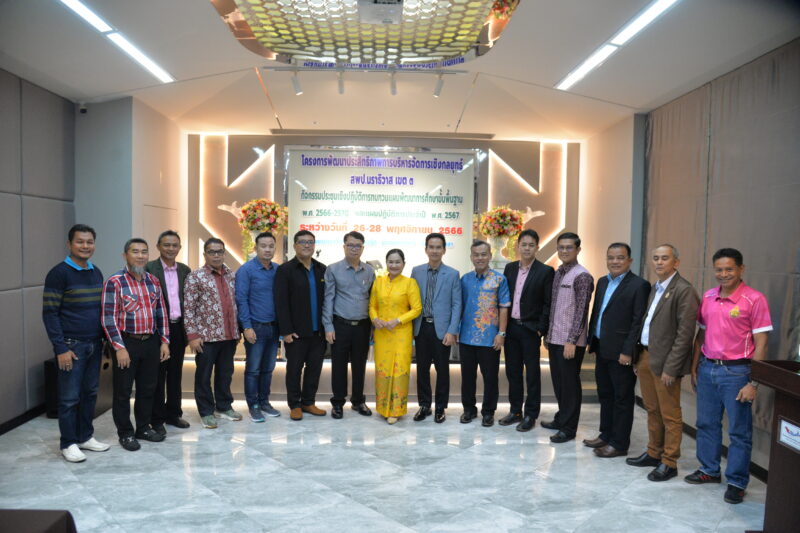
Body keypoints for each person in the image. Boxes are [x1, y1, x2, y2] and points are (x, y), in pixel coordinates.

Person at [685, 248, 772, 505]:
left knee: (739, 431)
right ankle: (709, 470)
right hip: (707, 368)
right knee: (706, 423)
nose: (723, 274)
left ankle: (736, 482)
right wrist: (694, 366)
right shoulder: (709, 296)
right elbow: (700, 335)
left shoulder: (754, 299)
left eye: (729, 269)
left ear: (741, 269)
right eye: (719, 270)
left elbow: (762, 344)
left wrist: (753, 382)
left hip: (738, 373)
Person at [627, 244, 699, 481]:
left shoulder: (684, 290)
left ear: (676, 262)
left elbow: (685, 335)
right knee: (652, 409)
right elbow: (647, 324)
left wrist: (672, 367)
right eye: (656, 258)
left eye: (664, 258)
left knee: (670, 415)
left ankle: (669, 461)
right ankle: (653, 452)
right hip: (646, 357)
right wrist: (638, 357)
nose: (659, 262)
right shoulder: (655, 288)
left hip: (667, 363)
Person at [42, 224, 109, 462]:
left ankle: (84, 436)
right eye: (80, 241)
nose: (85, 246)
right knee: (69, 398)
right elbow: (50, 314)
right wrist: (60, 348)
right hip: (71, 346)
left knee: (90, 393)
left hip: (95, 343)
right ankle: (68, 443)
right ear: (69, 244)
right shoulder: (58, 273)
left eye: (89, 242)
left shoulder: (96, 272)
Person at [102, 238, 170, 451]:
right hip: (127, 343)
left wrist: (165, 341)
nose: (140, 256)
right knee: (123, 391)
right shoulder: (115, 282)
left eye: (144, 252)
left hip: (151, 342)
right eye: (135, 251)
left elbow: (161, 313)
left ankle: (143, 427)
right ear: (125, 255)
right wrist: (119, 347)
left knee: (148, 388)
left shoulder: (153, 281)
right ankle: (125, 433)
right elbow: (108, 318)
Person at [585, 243, 651, 458]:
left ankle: (619, 443)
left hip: (621, 353)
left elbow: (637, 321)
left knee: (622, 398)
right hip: (601, 347)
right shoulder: (603, 281)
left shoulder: (639, 285)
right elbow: (598, 313)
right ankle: (606, 435)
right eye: (611, 257)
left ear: (629, 261)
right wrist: (592, 340)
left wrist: (628, 351)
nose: (615, 261)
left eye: (620, 257)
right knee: (605, 394)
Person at [500, 229, 554, 432]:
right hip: (511, 329)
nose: (527, 248)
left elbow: (548, 303)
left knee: (532, 375)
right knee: (512, 372)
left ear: (537, 247)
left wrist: (541, 329)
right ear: (518, 246)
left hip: (531, 330)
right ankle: (515, 411)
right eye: (524, 244)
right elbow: (504, 298)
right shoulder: (510, 268)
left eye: (531, 245)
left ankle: (531, 414)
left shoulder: (545, 271)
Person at [543, 232, 594, 443]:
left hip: (570, 343)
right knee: (559, 383)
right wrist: (548, 335)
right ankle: (561, 418)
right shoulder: (559, 273)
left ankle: (569, 428)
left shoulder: (582, 276)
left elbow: (582, 311)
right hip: (555, 338)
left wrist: (572, 340)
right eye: (561, 247)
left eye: (569, 247)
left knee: (570, 385)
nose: (564, 251)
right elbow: (555, 306)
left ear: (578, 249)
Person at [185, 238, 241, 429]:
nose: (216, 255)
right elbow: (189, 308)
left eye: (219, 251)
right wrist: (192, 336)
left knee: (225, 374)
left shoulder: (231, 275)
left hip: (229, 335)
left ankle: (224, 406)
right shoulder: (195, 277)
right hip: (205, 338)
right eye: (212, 252)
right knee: (203, 376)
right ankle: (206, 412)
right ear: (205, 254)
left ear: (224, 253)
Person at [274, 230, 328, 421]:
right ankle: (295, 405)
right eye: (303, 242)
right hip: (296, 333)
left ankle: (308, 402)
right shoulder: (285, 270)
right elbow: (281, 303)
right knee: (294, 370)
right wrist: (286, 331)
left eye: (310, 242)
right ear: (295, 245)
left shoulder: (322, 269)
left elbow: (328, 300)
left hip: (318, 332)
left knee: (314, 369)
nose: (307, 245)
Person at [322, 231, 375, 419]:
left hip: (363, 326)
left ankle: (358, 400)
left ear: (363, 248)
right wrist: (328, 326)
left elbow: (373, 300)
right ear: (344, 247)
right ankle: (338, 402)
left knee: (360, 365)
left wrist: (373, 327)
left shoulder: (369, 271)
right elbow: (328, 299)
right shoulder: (333, 269)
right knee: (339, 366)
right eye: (350, 245)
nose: (354, 249)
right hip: (340, 325)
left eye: (358, 245)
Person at [458, 240, 510, 428]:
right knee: (467, 377)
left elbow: (504, 307)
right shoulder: (465, 280)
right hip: (466, 337)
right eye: (476, 255)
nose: (479, 258)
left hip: (490, 339)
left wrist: (501, 333)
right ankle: (469, 410)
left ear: (489, 256)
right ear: (471, 257)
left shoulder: (499, 279)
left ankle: (488, 412)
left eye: (483, 254)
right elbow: (459, 307)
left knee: (490, 379)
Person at [411, 233, 461, 423]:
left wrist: (452, 330)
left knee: (442, 370)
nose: (434, 251)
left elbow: (457, 304)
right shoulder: (416, 271)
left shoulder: (452, 274)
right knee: (422, 369)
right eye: (431, 247)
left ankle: (440, 407)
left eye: (438, 247)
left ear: (444, 250)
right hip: (421, 326)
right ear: (426, 249)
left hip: (442, 330)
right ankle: (424, 405)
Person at [145, 230, 192, 434]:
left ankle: (173, 414)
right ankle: (156, 419)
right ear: (158, 246)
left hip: (178, 328)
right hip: (157, 330)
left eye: (174, 245)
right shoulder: (149, 269)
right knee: (157, 376)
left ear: (179, 247)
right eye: (166, 245)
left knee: (175, 373)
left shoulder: (185, 270)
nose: (171, 249)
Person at [369, 249, 422, 424]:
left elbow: (417, 309)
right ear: (386, 263)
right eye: (390, 262)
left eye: (397, 262)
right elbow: (372, 305)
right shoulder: (378, 282)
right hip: (382, 333)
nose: (394, 265)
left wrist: (398, 320)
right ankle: (382, 408)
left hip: (401, 334)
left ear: (403, 264)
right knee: (382, 370)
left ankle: (396, 410)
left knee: (399, 370)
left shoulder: (410, 283)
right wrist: (375, 319)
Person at [236, 231, 281, 422]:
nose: (267, 249)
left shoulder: (278, 270)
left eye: (271, 246)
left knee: (268, 368)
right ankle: (253, 405)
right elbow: (241, 300)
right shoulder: (246, 270)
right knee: (253, 369)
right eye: (263, 246)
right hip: (255, 326)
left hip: (274, 327)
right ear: (256, 248)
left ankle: (264, 402)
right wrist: (246, 327)